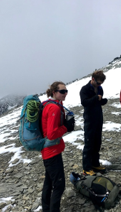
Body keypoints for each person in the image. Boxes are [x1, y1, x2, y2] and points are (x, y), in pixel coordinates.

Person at [41, 81, 75, 212]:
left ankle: (46, 208)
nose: (65, 93)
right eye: (62, 91)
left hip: (48, 150)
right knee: (59, 185)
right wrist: (67, 126)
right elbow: (51, 134)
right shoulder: (54, 108)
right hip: (52, 152)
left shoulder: (51, 105)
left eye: (66, 91)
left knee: (49, 182)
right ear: (54, 92)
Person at [80, 70, 108, 175]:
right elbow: (84, 102)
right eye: (98, 83)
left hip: (98, 117)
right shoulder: (85, 89)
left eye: (101, 83)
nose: (99, 85)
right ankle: (86, 168)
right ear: (93, 79)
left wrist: (102, 101)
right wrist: (96, 98)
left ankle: (95, 164)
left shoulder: (100, 88)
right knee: (89, 142)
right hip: (90, 118)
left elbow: (97, 102)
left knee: (97, 142)